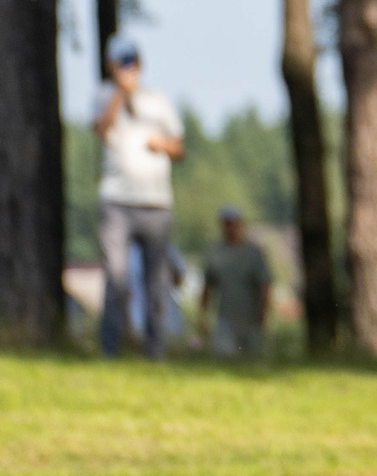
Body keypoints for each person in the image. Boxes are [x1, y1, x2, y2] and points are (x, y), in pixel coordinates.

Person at [92, 41, 182, 358]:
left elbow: (179, 147)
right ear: (111, 67)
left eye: (131, 63)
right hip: (116, 202)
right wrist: (120, 94)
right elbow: (100, 129)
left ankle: (155, 351)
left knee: (156, 282)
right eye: (121, 63)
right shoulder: (103, 96)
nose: (127, 69)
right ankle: (111, 350)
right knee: (116, 276)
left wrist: (163, 144)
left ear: (140, 65)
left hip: (156, 203)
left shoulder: (158, 100)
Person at [201, 206, 272, 358]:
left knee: (253, 358)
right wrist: (203, 316)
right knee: (225, 358)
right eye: (227, 224)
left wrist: (263, 312)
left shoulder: (254, 253)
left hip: (251, 319)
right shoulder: (215, 252)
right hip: (225, 318)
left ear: (241, 225)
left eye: (234, 224)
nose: (230, 229)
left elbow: (265, 285)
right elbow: (208, 286)